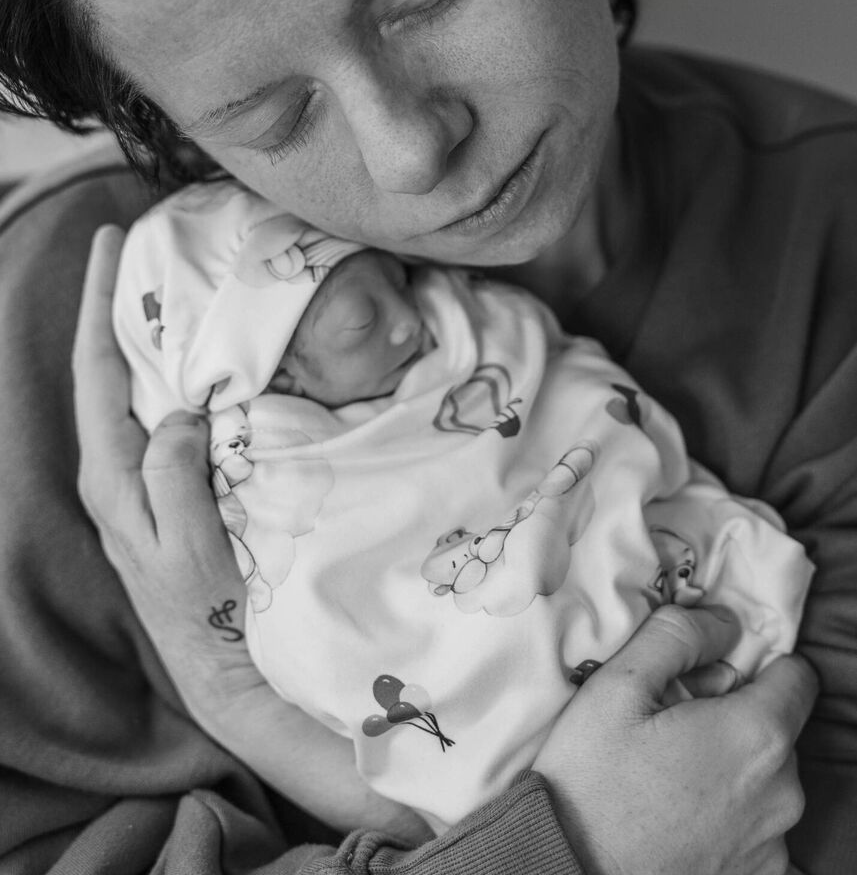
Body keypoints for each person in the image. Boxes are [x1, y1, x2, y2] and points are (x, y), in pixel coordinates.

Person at [0, 0, 846, 871]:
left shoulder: (827, 256)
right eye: (273, 116)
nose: (410, 149)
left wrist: (245, 702)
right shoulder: (43, 350)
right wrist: (563, 851)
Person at [112, 176, 813, 835]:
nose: (406, 325)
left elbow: (562, 390)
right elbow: (321, 610)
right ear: (275, 371)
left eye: (397, 284)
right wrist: (228, 685)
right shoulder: (263, 468)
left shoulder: (462, 325)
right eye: (362, 323)